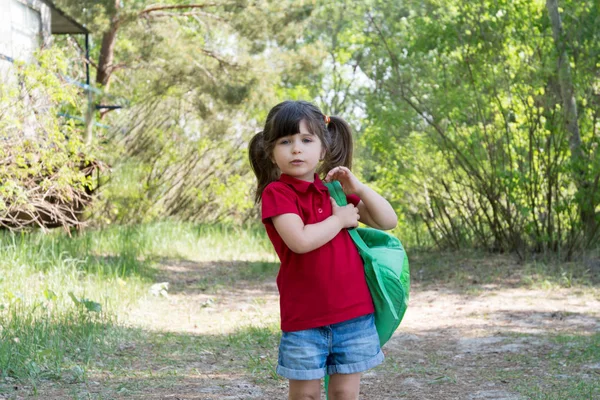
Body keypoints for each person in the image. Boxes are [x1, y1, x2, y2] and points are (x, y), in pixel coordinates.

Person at [248, 100, 398, 400]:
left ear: (324, 148)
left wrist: (358, 188)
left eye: (306, 140)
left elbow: (387, 220)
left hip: (353, 315)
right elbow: (300, 241)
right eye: (285, 141)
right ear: (271, 152)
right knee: (305, 396)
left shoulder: (335, 193)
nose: (296, 149)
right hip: (305, 318)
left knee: (345, 394)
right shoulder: (278, 193)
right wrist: (339, 219)